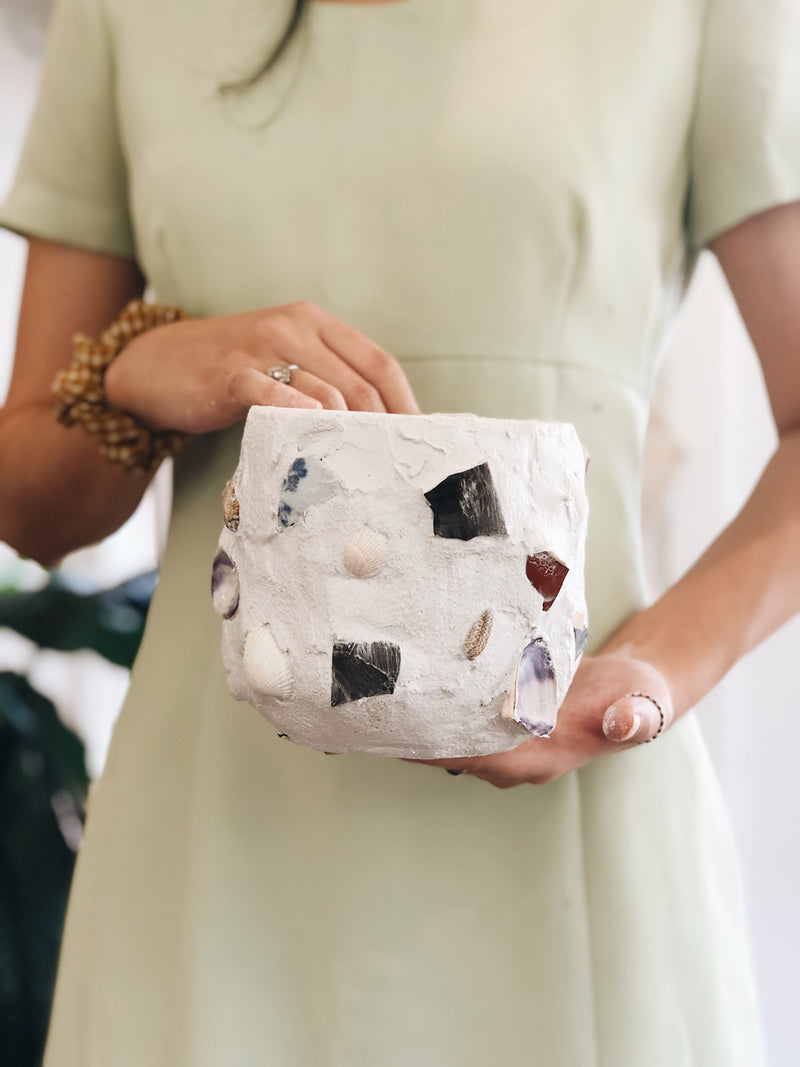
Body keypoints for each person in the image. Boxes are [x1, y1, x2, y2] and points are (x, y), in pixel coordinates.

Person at [1, 0, 798, 1062]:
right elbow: (32, 506)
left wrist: (654, 672)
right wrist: (140, 373)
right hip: (219, 829)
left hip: (556, 803)